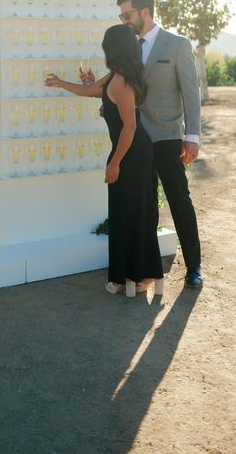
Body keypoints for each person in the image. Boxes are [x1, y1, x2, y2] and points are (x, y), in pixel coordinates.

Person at [82, 0, 202, 288]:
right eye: (121, 16)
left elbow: (191, 94)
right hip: (136, 143)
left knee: (178, 200)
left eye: (127, 14)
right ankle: (144, 272)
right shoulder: (128, 47)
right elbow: (119, 90)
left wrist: (193, 136)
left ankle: (194, 267)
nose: (123, 20)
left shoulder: (177, 45)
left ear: (145, 12)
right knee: (144, 206)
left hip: (167, 138)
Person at [45, 24, 164, 298]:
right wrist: (62, 82)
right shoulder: (118, 76)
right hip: (136, 150)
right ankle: (136, 274)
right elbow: (91, 92)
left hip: (130, 151)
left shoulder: (120, 81)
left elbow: (129, 127)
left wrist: (115, 163)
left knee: (129, 213)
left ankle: (129, 277)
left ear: (113, 49)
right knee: (134, 212)